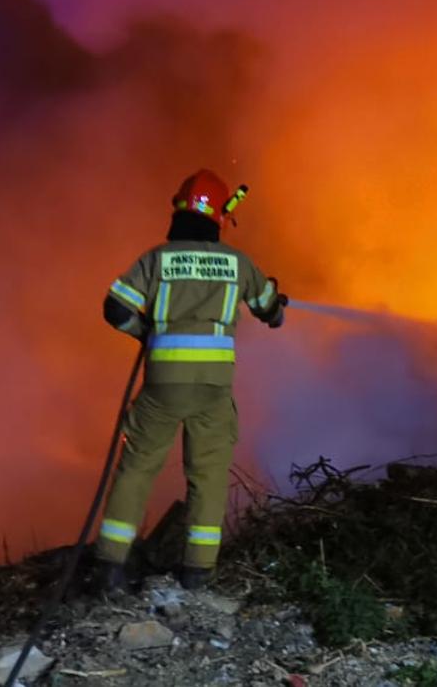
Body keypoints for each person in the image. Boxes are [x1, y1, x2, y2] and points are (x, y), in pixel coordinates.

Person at [94, 169, 286, 592]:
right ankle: (197, 572)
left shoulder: (157, 259)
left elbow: (115, 308)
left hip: (162, 385)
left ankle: (109, 565)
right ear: (220, 217)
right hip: (213, 390)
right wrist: (276, 303)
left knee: (137, 469)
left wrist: (144, 332)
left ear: (179, 210)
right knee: (209, 476)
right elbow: (270, 311)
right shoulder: (238, 264)